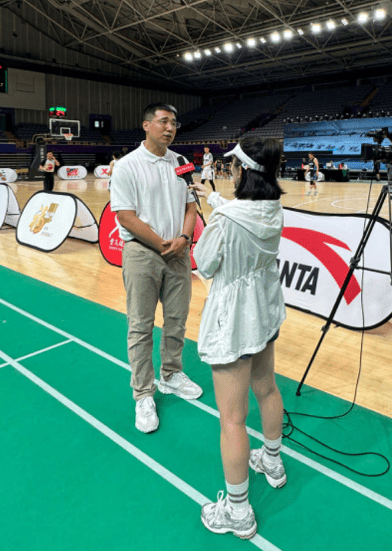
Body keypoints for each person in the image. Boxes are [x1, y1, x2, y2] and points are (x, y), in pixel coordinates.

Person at [190, 137, 287, 540]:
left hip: (233, 320)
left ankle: (237, 510)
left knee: (231, 418)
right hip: (265, 311)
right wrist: (215, 203)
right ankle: (273, 462)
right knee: (266, 388)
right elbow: (242, 215)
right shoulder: (273, 208)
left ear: (243, 171)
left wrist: (212, 217)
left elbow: (206, 264)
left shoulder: (228, 220)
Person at [109, 102, 202, 434]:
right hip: (142, 253)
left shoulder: (180, 162)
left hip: (178, 250)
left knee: (177, 318)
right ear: (146, 125)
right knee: (141, 326)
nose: (170, 127)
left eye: (174, 123)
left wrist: (183, 237)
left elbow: (192, 205)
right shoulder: (127, 166)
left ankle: (172, 374)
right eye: (164, 121)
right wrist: (163, 244)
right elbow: (125, 216)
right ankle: (143, 393)